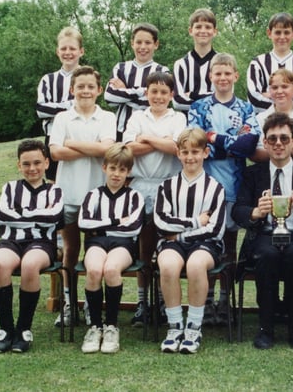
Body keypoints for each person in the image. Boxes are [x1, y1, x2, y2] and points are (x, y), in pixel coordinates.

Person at [233, 113, 293, 351]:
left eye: (284, 138)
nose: (278, 144)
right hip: (264, 235)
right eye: (272, 138)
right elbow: (238, 209)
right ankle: (266, 327)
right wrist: (255, 212)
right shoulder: (253, 173)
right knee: (268, 255)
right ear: (264, 143)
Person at [189, 53, 260, 325]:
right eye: (217, 73)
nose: (222, 78)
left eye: (227, 73)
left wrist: (215, 138)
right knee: (204, 243)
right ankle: (204, 302)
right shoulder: (199, 106)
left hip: (234, 184)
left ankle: (224, 300)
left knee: (229, 244)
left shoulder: (245, 109)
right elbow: (195, 143)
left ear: (235, 76)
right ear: (210, 76)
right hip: (204, 185)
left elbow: (249, 146)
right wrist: (230, 142)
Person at [49, 66, 116, 327]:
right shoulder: (62, 118)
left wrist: (72, 144)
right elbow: (55, 153)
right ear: (71, 89)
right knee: (70, 250)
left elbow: (107, 150)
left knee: (93, 252)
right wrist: (93, 148)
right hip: (68, 193)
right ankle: (69, 303)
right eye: (80, 87)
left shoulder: (107, 117)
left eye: (90, 87)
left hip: (98, 197)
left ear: (99, 90)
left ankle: (90, 305)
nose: (85, 91)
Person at [154, 128, 227, 354]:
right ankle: (175, 326)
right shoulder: (166, 186)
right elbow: (161, 224)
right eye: (185, 152)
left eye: (195, 151)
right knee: (167, 265)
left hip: (206, 244)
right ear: (177, 153)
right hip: (173, 243)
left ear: (206, 153)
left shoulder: (215, 187)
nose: (190, 157)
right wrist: (196, 221)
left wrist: (180, 234)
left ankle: (194, 327)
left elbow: (215, 229)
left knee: (196, 265)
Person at [0, 140, 64, 353]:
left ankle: (23, 329)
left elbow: (53, 218)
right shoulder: (9, 188)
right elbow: (3, 215)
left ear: (47, 163)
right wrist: (37, 216)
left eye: (37, 163)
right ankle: (6, 329)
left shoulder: (55, 190)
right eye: (26, 164)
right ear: (18, 165)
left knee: (30, 264)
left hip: (41, 243)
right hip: (10, 241)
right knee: (1, 263)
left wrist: (21, 214)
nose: (32, 168)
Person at [124, 71, 186, 327]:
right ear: (146, 93)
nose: (158, 96)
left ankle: (162, 301)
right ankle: (142, 303)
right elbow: (128, 148)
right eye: (154, 92)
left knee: (167, 248)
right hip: (140, 186)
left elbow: (177, 148)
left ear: (171, 95)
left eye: (163, 92)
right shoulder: (137, 116)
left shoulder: (178, 117)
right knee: (144, 248)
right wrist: (163, 142)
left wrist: (147, 138)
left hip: (169, 187)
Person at [78, 143, 144, 353]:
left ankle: (111, 327)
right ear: (104, 167)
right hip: (96, 243)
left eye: (122, 170)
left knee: (111, 269)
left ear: (128, 172)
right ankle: (95, 327)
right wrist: (116, 220)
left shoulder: (135, 196)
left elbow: (132, 228)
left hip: (123, 244)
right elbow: (83, 223)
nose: (117, 174)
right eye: (113, 168)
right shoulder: (93, 195)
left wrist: (101, 226)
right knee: (95, 270)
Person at [105, 22, 170, 141]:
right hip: (121, 130)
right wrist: (142, 91)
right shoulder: (120, 68)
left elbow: (155, 101)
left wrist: (124, 92)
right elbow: (109, 97)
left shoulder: (162, 71)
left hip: (150, 131)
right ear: (132, 44)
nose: (143, 47)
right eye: (139, 42)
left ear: (156, 44)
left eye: (148, 42)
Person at [36, 26, 84, 181]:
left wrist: (55, 107)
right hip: (53, 137)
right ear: (57, 51)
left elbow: (86, 106)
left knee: (82, 178)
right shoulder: (48, 79)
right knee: (54, 182)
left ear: (81, 51)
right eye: (63, 48)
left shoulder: (88, 77)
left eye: (72, 48)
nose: (68, 52)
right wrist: (70, 105)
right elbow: (41, 109)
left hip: (82, 135)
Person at [247, 12, 293, 112]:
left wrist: (268, 94)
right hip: (266, 123)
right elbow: (254, 99)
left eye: (287, 32)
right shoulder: (257, 63)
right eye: (278, 32)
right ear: (269, 33)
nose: (282, 37)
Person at [253, 69, 293, 162]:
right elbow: (256, 153)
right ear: (270, 90)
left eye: (284, 86)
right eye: (274, 87)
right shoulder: (259, 119)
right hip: (267, 173)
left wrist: (272, 144)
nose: (279, 91)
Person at [173, 8, 218, 113]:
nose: (203, 31)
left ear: (215, 32)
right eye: (198, 27)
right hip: (187, 125)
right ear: (190, 31)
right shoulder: (181, 64)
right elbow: (177, 102)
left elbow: (224, 99)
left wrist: (193, 95)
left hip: (215, 124)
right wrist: (211, 97)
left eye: (208, 27)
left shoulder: (223, 63)